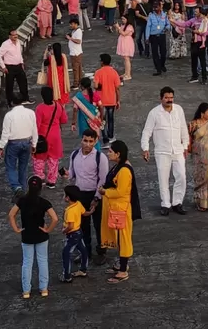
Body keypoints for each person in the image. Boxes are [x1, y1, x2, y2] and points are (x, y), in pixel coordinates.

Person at [141, 86, 190, 216]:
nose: (169, 100)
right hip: (162, 151)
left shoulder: (179, 110)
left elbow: (184, 129)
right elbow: (147, 132)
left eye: (171, 98)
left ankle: (177, 203)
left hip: (178, 150)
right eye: (166, 98)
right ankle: (166, 204)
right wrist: (145, 148)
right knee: (163, 179)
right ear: (161, 98)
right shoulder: (154, 113)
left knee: (182, 177)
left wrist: (186, 145)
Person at [65, 129, 111, 263]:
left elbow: (103, 180)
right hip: (80, 195)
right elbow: (72, 175)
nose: (87, 144)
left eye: (91, 141)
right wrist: (65, 174)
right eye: (85, 140)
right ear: (81, 139)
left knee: (98, 225)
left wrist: (96, 198)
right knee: (82, 226)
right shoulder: (74, 155)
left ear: (95, 141)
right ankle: (86, 251)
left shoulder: (100, 158)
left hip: (95, 194)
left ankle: (101, 251)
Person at [8, 176, 57, 299]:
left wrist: (16, 229)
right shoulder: (44, 202)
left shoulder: (22, 201)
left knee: (27, 263)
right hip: (41, 235)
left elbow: (11, 214)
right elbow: (55, 218)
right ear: (41, 188)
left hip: (27, 235)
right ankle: (44, 288)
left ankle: (26, 291)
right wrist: (48, 229)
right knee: (42, 261)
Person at [101, 140, 142, 284]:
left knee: (123, 239)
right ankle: (121, 265)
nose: (108, 153)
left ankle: (123, 271)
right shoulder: (119, 166)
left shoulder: (124, 170)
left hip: (121, 210)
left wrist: (105, 192)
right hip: (116, 209)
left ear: (118, 154)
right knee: (119, 239)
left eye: (111, 151)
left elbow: (121, 191)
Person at [0, 94, 38, 199]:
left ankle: (17, 188)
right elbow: (34, 129)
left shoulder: (9, 115)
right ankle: (23, 190)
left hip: (13, 143)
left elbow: (5, 132)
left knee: (10, 166)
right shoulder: (31, 113)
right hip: (27, 142)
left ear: (12, 103)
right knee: (23, 167)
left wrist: (1, 146)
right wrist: (34, 143)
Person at [33, 86, 66, 186]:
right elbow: (64, 120)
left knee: (39, 159)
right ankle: (52, 180)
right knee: (53, 159)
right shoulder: (58, 106)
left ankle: (40, 177)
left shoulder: (40, 108)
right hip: (55, 137)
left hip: (43, 137)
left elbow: (37, 125)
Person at [171, 7, 208, 84]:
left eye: (196, 11)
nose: (194, 13)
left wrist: (200, 32)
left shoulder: (205, 21)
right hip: (194, 42)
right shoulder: (193, 20)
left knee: (202, 61)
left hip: (201, 43)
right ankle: (194, 76)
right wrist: (173, 21)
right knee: (194, 60)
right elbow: (184, 24)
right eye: (194, 11)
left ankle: (204, 78)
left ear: (201, 12)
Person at [60, 185, 90, 283]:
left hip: (72, 234)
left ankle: (67, 276)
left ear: (68, 197)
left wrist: (64, 231)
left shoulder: (70, 211)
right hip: (79, 232)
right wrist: (92, 210)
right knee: (83, 250)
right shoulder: (78, 204)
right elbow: (85, 213)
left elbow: (71, 226)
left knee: (66, 253)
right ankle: (83, 269)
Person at [93, 54, 122, 140]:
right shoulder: (114, 72)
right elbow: (117, 88)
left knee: (102, 120)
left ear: (102, 62)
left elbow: (95, 85)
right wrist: (118, 100)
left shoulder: (98, 72)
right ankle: (111, 136)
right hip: (111, 100)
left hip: (101, 101)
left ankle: (105, 138)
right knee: (111, 119)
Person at [0, 30, 27, 107]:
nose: (15, 36)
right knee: (10, 85)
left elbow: (19, 53)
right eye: (13, 35)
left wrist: (21, 62)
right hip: (10, 67)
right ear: (9, 36)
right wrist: (3, 66)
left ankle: (25, 98)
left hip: (18, 66)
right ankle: (10, 102)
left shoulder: (18, 42)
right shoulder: (5, 44)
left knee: (23, 82)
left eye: (16, 35)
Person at [70, 78, 102, 145]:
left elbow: (75, 110)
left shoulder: (78, 96)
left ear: (82, 86)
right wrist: (101, 118)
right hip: (95, 120)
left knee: (85, 141)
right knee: (95, 139)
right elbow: (101, 107)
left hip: (83, 122)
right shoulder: (95, 95)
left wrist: (73, 123)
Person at [146, 1, 170, 76]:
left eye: (156, 7)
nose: (155, 8)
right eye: (154, 7)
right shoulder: (151, 15)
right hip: (153, 36)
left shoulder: (164, 15)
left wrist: (167, 28)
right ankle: (158, 69)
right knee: (155, 53)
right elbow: (148, 27)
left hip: (162, 35)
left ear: (160, 7)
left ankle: (162, 65)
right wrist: (147, 37)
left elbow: (168, 24)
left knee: (163, 53)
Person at [116, 15, 135, 80]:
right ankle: (126, 73)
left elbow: (124, 33)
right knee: (125, 58)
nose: (122, 20)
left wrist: (118, 28)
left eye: (124, 19)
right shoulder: (123, 25)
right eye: (122, 19)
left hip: (127, 43)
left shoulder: (130, 27)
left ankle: (128, 74)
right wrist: (117, 27)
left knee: (127, 58)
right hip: (123, 42)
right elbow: (119, 32)